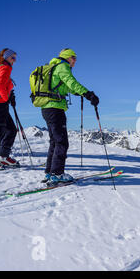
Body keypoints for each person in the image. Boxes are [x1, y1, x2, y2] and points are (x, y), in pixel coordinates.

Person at [41, 48, 99, 186]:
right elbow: (72, 82)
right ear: (67, 57)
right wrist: (88, 94)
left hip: (47, 108)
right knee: (61, 142)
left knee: (54, 142)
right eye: (74, 58)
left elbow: (69, 87)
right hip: (55, 109)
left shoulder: (54, 66)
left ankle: (50, 172)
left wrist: (79, 93)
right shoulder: (62, 66)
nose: (75, 61)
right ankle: (57, 174)